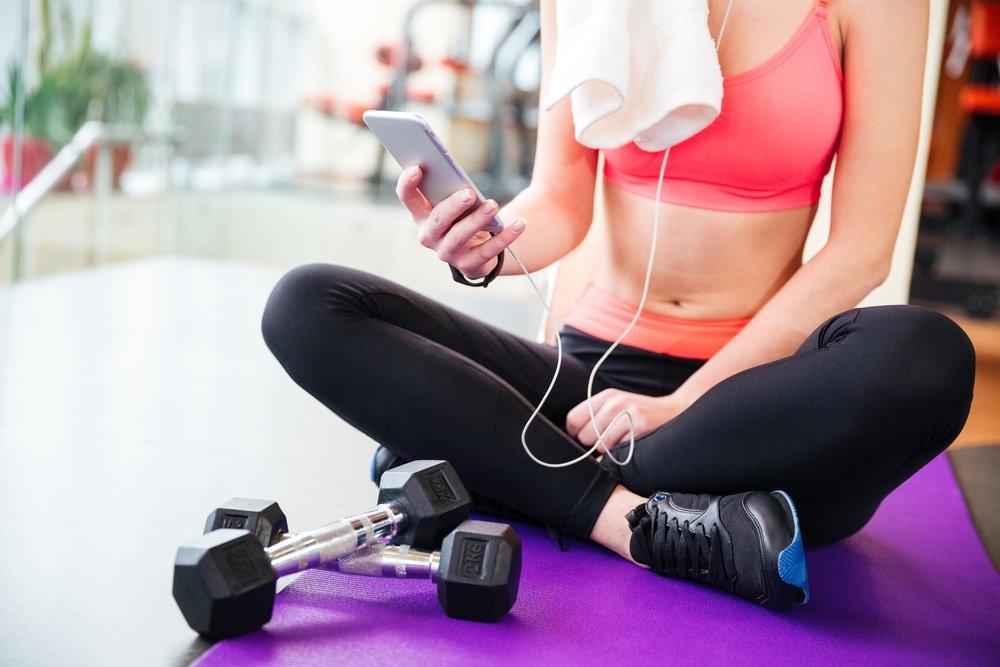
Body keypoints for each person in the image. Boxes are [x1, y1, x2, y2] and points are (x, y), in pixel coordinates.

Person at [262, 0, 974, 609]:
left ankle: (509, 467)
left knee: (927, 358)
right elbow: (562, 198)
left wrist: (681, 406)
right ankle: (633, 521)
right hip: (595, 395)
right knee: (308, 304)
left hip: (759, 408)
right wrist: (490, 245)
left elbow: (861, 253)